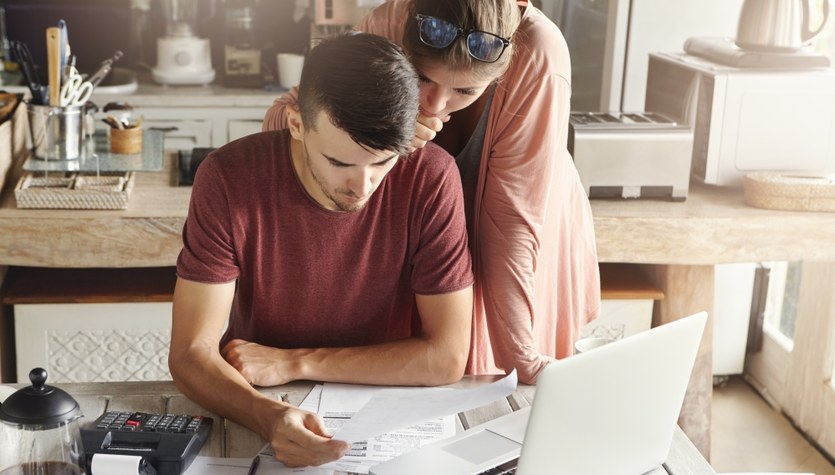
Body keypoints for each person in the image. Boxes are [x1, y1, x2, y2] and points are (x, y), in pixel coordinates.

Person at [170, 32, 474, 468]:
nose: (363, 186)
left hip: (388, 414)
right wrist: (271, 418)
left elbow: (446, 358)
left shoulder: (432, 178)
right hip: (261, 400)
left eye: (383, 162)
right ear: (296, 123)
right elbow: (189, 353)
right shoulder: (227, 178)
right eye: (339, 162)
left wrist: (295, 362)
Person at [263, 0, 601, 384]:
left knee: (507, 388)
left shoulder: (537, 51)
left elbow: (512, 221)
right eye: (421, 77)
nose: (437, 104)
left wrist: (523, 356)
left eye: (465, 89)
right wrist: (387, 123)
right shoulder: (390, 22)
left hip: (524, 236)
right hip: (430, 247)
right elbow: (286, 119)